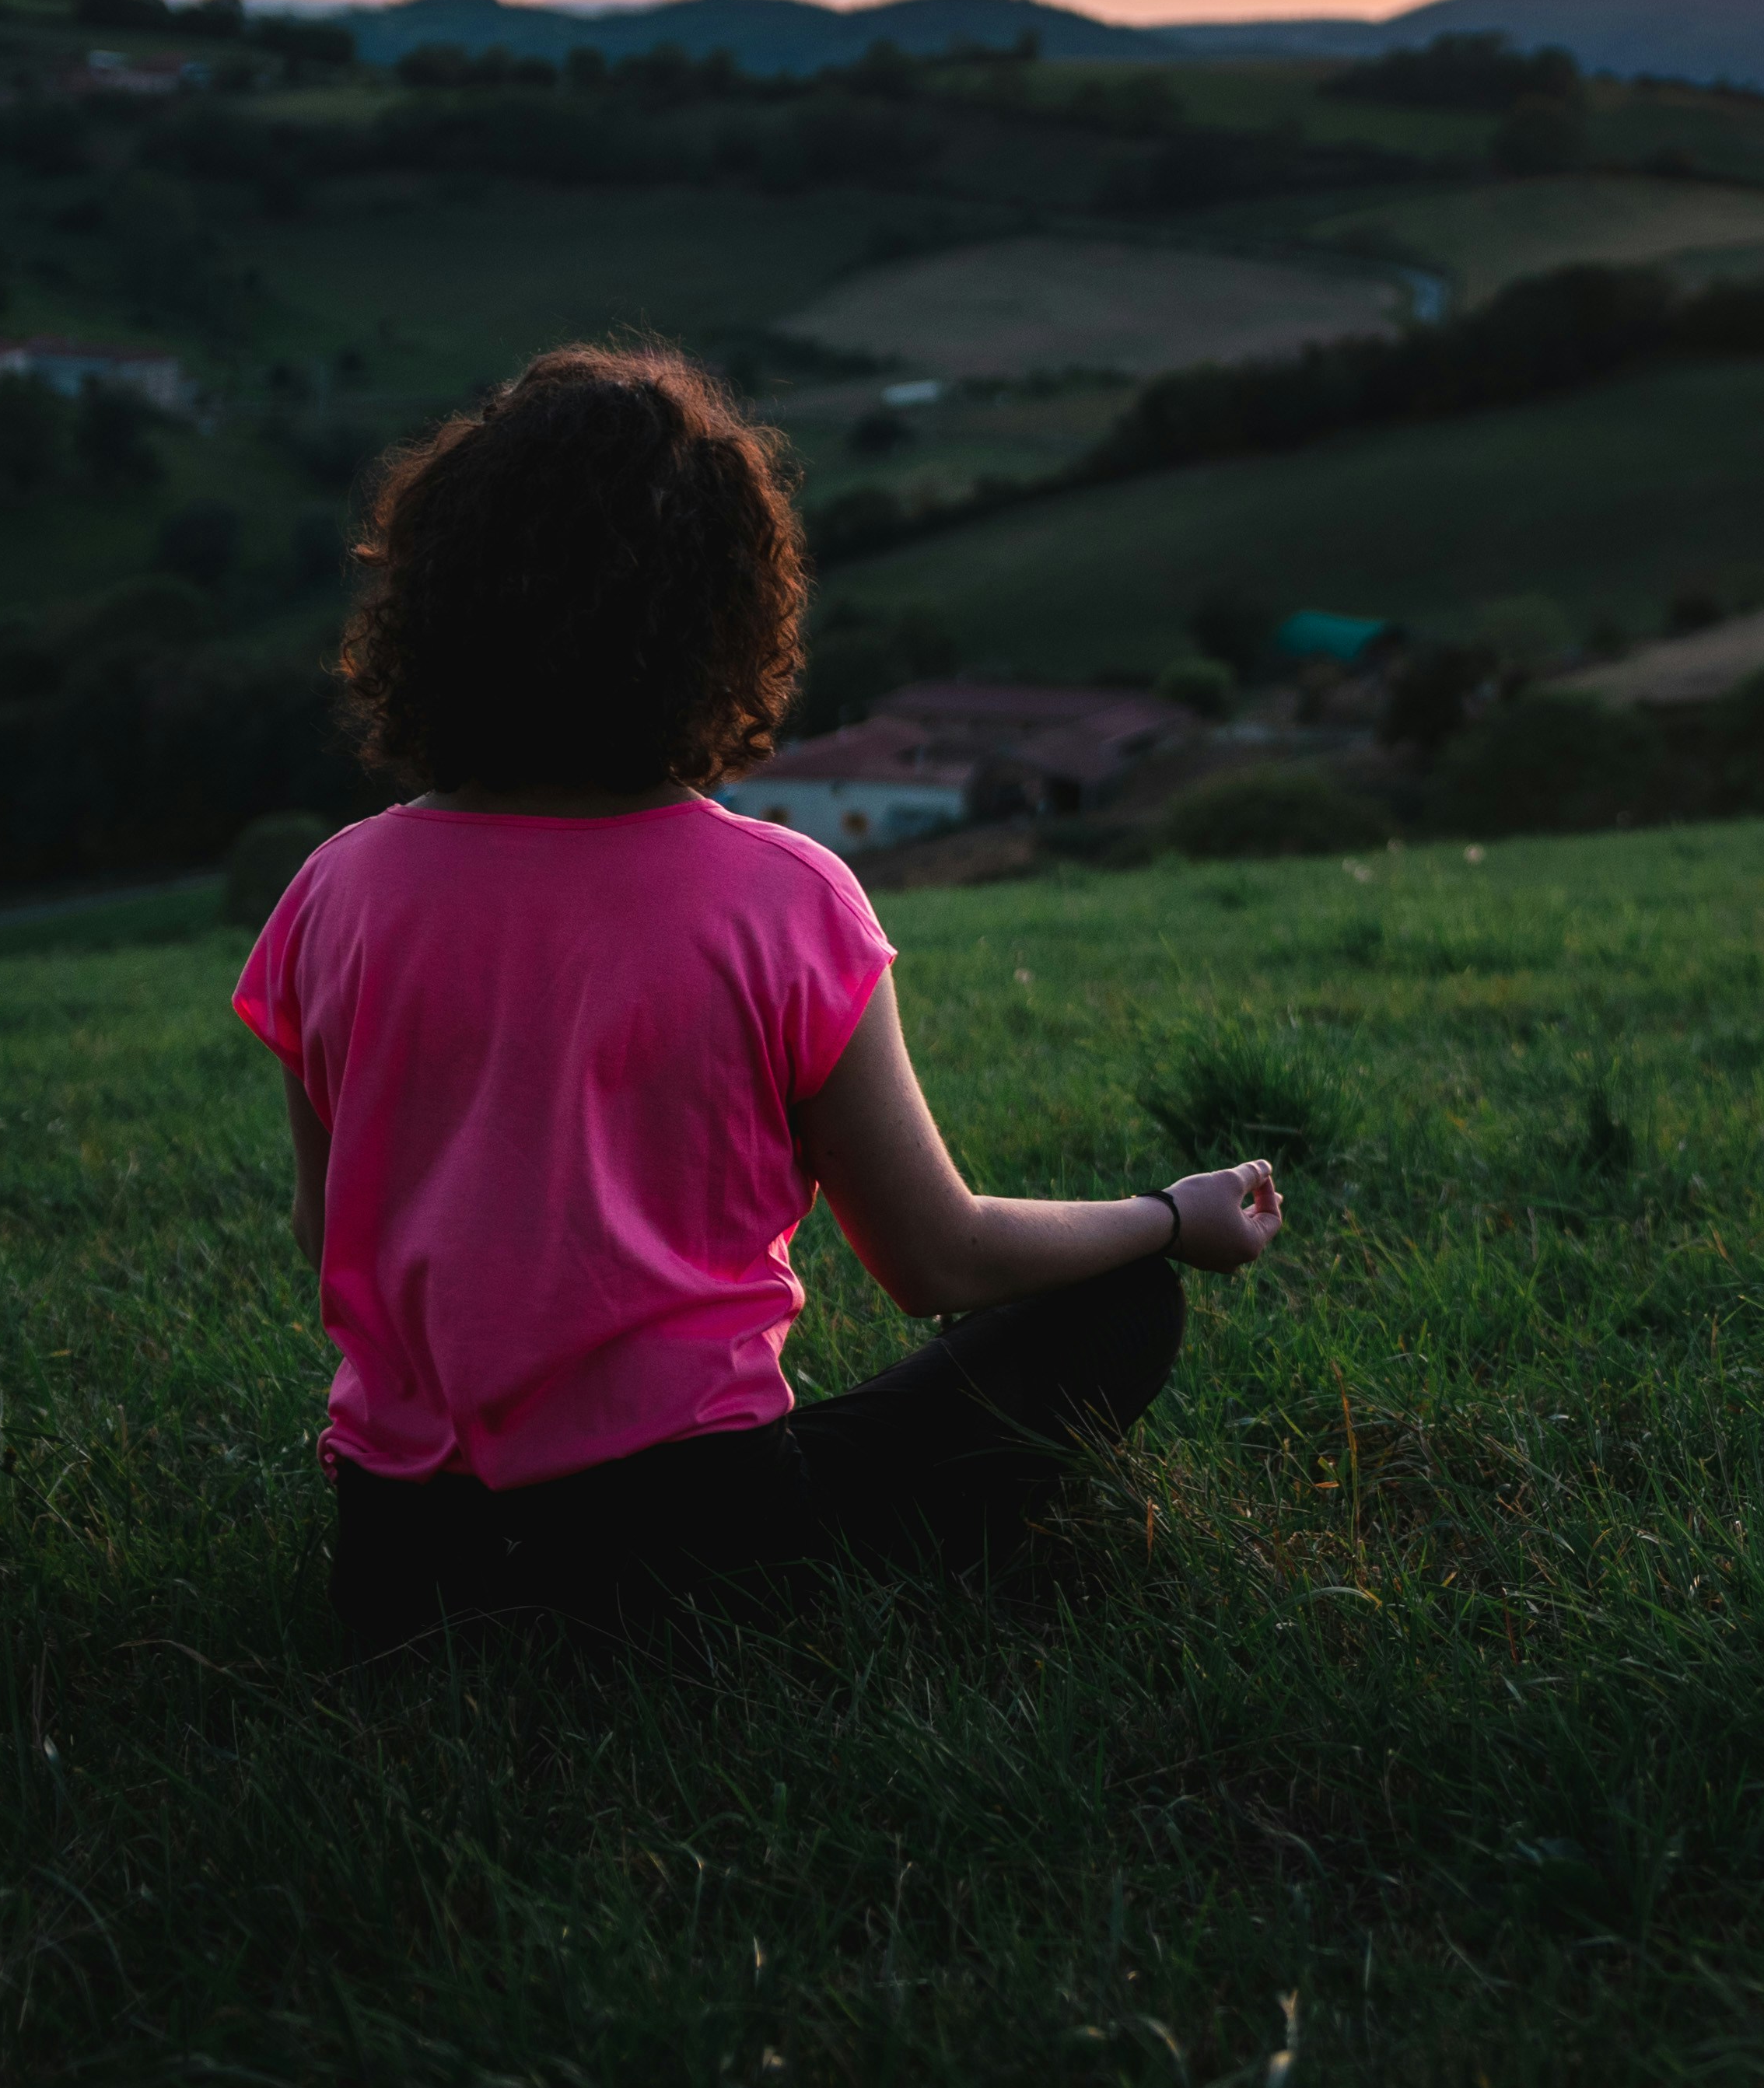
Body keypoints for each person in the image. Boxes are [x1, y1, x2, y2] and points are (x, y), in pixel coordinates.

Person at [232, 341, 1283, 1658]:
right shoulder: (783, 895)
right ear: (726, 616)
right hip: (689, 1547)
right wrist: (1165, 1217)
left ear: (438, 599)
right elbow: (934, 1258)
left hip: (395, 1564)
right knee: (1123, 1302)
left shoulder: (334, 887)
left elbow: (328, 1227)